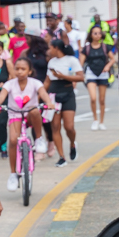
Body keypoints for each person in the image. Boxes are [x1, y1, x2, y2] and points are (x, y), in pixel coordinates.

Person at [0, 57, 56, 192]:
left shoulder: (35, 83)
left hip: (31, 115)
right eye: (17, 69)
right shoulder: (10, 84)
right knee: (13, 140)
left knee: (35, 110)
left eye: (23, 69)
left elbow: (42, 92)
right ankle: (13, 173)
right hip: (15, 114)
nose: (19, 72)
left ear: (30, 71)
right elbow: (2, 96)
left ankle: (38, 139)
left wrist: (48, 102)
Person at [45, 39, 84, 167]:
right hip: (53, 96)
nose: (49, 51)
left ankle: (72, 144)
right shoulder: (51, 62)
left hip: (67, 93)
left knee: (69, 127)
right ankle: (62, 157)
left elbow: (80, 77)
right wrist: (39, 95)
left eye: (50, 48)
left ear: (57, 48)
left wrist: (63, 76)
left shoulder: (71, 60)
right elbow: (47, 82)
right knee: (55, 127)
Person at [82, 25, 114, 130]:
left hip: (103, 74)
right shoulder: (86, 48)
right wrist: (79, 73)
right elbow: (80, 62)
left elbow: (113, 59)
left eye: (99, 33)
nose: (97, 35)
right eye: (95, 33)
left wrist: (108, 66)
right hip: (91, 73)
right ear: (91, 35)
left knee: (102, 99)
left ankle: (101, 122)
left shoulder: (105, 47)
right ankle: (95, 120)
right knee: (93, 98)